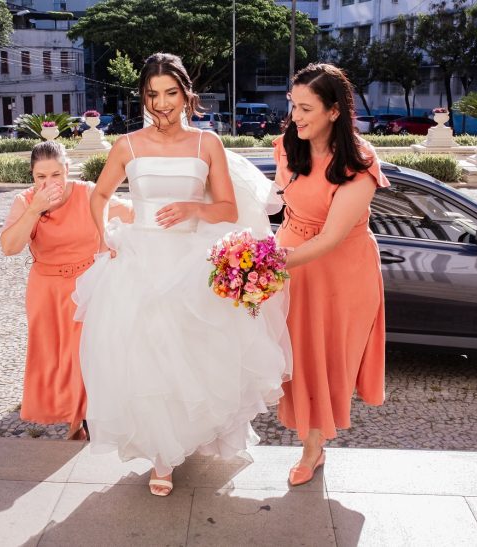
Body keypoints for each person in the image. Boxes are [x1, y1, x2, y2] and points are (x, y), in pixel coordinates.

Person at [73, 53, 291, 497]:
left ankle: (187, 438)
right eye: (153, 95)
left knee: (193, 358)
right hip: (140, 262)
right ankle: (161, 456)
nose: (162, 104)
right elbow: (98, 197)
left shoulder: (205, 144)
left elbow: (228, 209)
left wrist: (194, 207)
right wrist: (104, 240)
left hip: (191, 262)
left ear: (186, 94)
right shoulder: (127, 146)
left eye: (170, 93)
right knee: (147, 358)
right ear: (143, 97)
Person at [273, 63, 389, 485]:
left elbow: (330, 239)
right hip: (292, 259)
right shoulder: (288, 145)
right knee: (293, 357)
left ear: (335, 111)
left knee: (325, 360)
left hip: (341, 271)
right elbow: (280, 202)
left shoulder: (359, 160)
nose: (296, 117)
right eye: (293, 106)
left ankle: (312, 450)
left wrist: (266, 264)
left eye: (306, 108)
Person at [0, 140, 132, 440]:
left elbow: (131, 214)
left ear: (68, 170)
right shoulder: (26, 201)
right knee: (54, 356)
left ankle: (81, 421)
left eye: (56, 175)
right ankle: (71, 415)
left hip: (87, 287)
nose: (49, 183)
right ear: (32, 177)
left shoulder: (87, 193)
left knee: (83, 354)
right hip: (46, 289)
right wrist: (35, 208)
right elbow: (10, 247)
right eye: (40, 177)